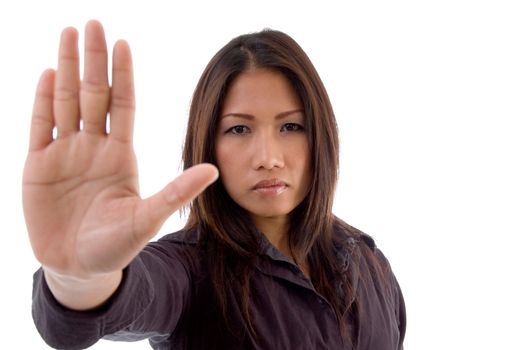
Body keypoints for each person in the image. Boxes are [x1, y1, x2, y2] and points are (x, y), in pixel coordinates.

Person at [24, 20, 406, 349]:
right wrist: (78, 277)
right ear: (206, 143)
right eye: (239, 129)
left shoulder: (368, 262)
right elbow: (130, 296)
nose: (268, 157)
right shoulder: (188, 270)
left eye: (290, 126)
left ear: (321, 136)